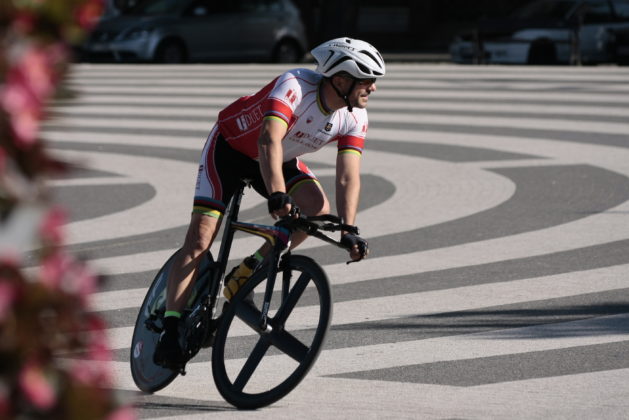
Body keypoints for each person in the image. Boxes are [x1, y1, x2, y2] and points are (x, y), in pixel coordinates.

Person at [153, 37, 385, 369]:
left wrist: (349, 228)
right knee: (201, 239)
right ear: (341, 79)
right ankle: (169, 325)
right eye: (367, 80)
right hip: (230, 150)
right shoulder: (295, 85)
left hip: (280, 158)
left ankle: (244, 274)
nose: (373, 88)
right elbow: (268, 139)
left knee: (317, 214)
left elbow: (348, 176)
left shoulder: (355, 117)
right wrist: (277, 193)